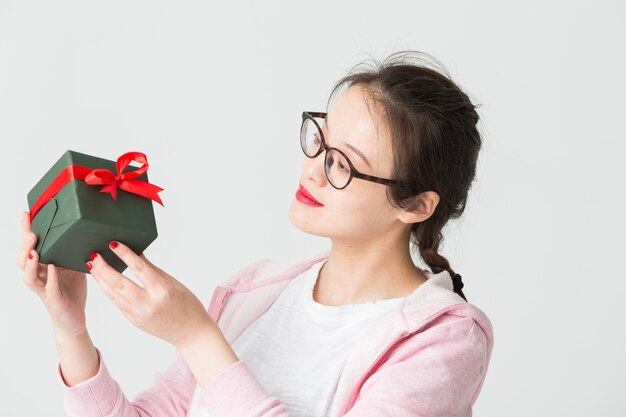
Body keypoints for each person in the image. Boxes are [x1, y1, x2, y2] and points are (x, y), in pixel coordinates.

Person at [18, 50, 494, 417]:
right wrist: (70, 326)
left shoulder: (444, 339)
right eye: (320, 141)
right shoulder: (255, 292)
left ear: (415, 205)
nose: (312, 171)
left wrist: (198, 337)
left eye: (343, 164)